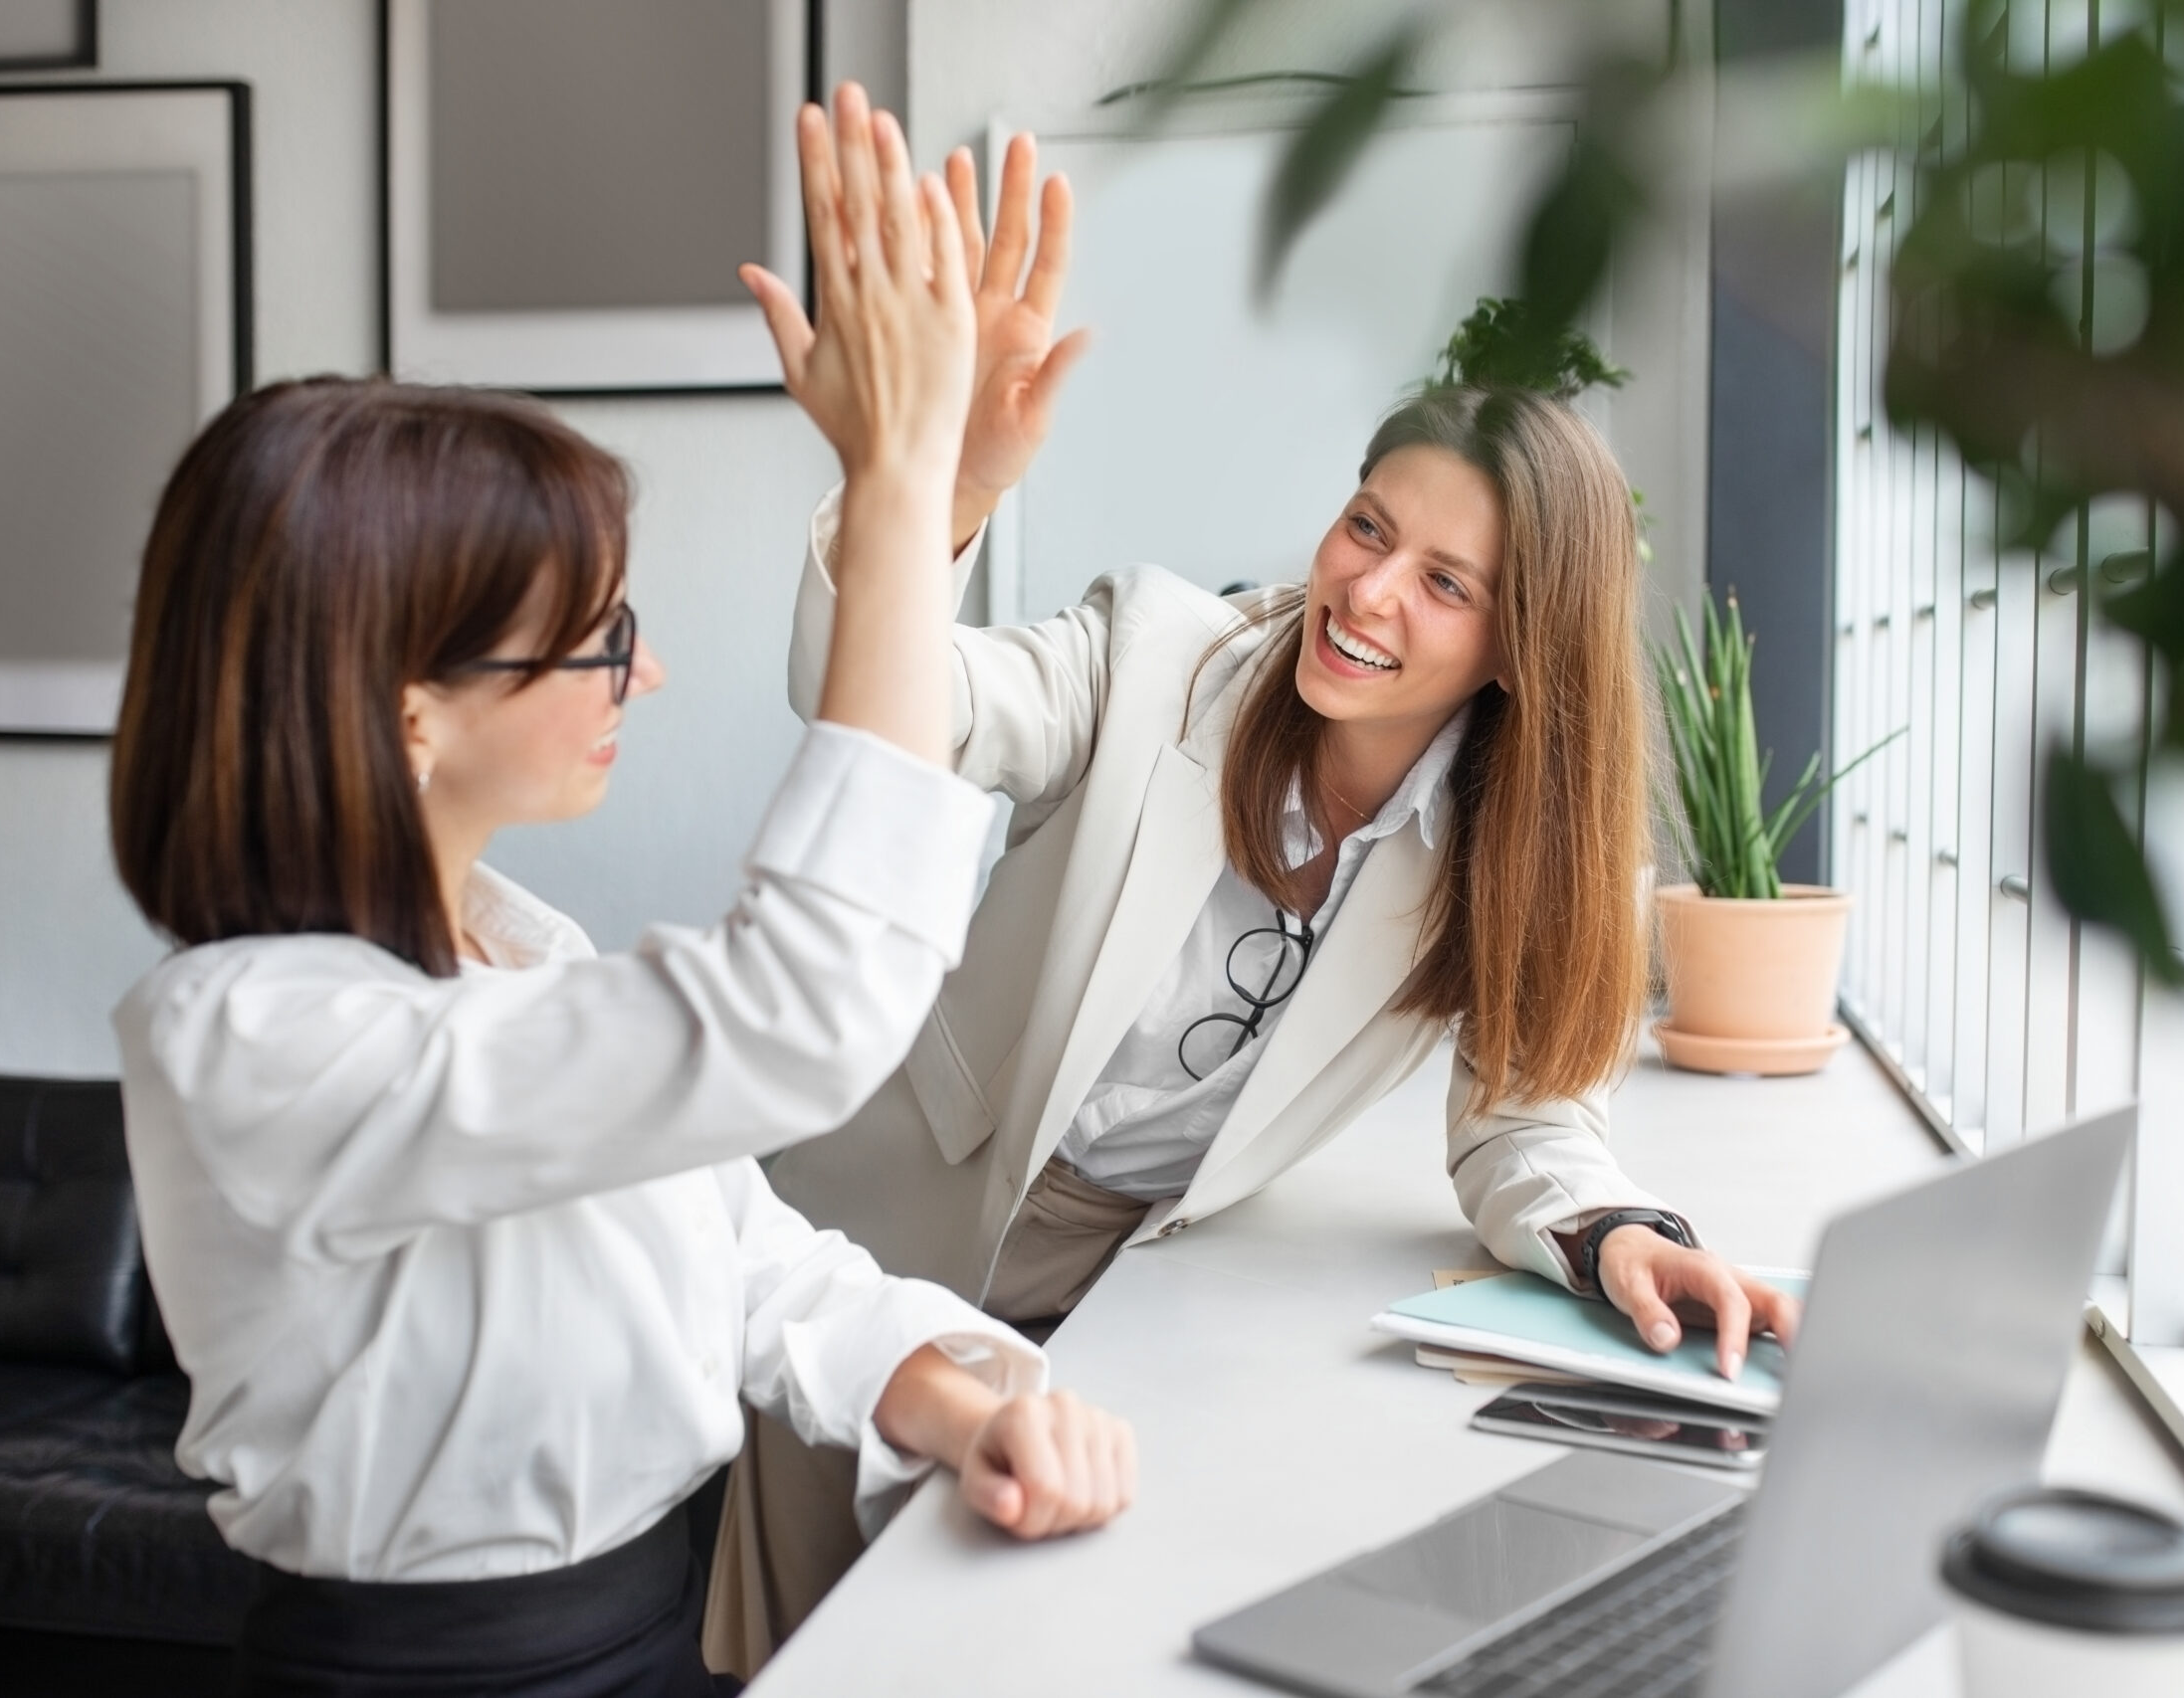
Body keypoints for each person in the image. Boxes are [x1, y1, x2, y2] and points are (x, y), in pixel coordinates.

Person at [707, 134, 1799, 1661]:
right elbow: (893, 705)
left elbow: (1525, 1119)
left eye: (1445, 582)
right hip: (894, 1226)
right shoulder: (1154, 654)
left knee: (1019, 1648)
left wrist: (1615, 1228)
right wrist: (925, 497)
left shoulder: (1516, 854)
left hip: (1124, 1290)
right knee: (821, 1650)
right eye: (1369, 528)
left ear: (1515, 646)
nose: (1366, 593)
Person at [108, 87, 1131, 1698]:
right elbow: (799, 1009)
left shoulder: (521, 956)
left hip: (654, 1645)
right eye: (595, 637)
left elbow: (743, 1266)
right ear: (406, 708)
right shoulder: (254, 1041)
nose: (644, 674)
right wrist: (895, 493)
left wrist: (964, 1398)